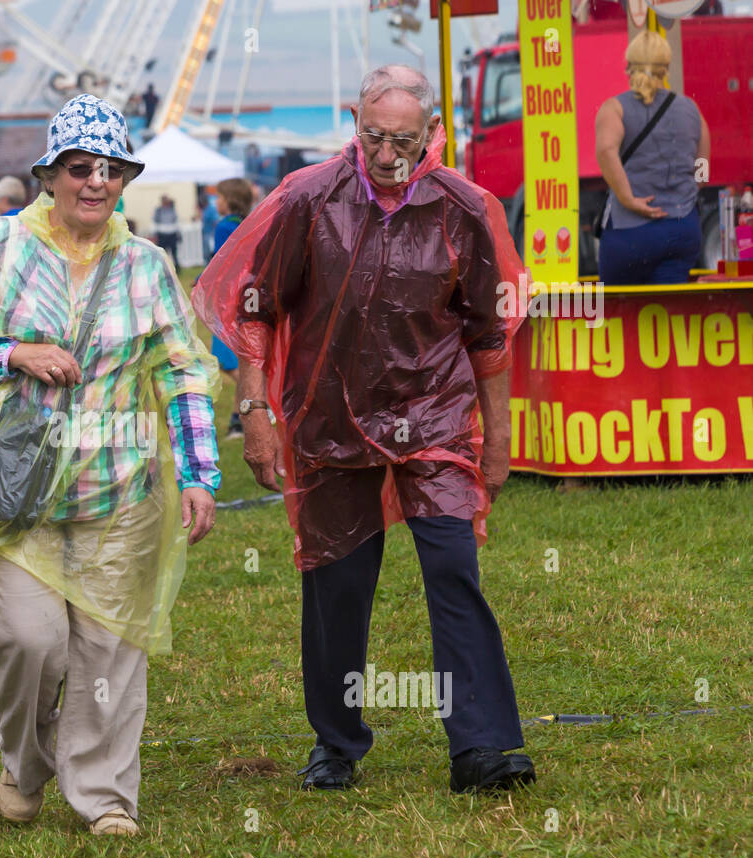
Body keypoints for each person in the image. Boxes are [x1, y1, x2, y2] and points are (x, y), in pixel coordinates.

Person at [193, 65, 536, 796]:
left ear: (433, 135)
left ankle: (481, 745)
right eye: (375, 136)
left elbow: (489, 336)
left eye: (404, 141)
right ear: (354, 122)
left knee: (452, 569)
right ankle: (336, 742)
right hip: (330, 414)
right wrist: (255, 412)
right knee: (338, 582)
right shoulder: (310, 199)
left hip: (435, 416)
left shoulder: (462, 209)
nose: (387, 155)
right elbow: (257, 305)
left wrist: (498, 442)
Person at [0, 93, 220, 836]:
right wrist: (12, 352)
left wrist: (199, 476)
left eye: (111, 169)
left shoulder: (147, 267)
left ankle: (104, 799)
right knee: (31, 641)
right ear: (50, 174)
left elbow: (183, 373)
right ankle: (24, 762)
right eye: (80, 167)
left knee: (108, 657)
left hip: (119, 495)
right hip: (19, 495)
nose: (96, 182)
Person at [595, 30, 710, 285]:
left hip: (630, 234)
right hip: (682, 230)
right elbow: (702, 167)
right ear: (666, 67)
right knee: (667, 313)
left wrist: (629, 199)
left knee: (620, 315)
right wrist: (691, 189)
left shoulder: (615, 108)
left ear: (629, 65)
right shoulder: (692, 109)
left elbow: (605, 150)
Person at [206, 177, 255, 439]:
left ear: (230, 200)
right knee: (238, 359)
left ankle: (260, 400)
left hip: (227, 301)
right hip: (245, 297)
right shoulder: (248, 224)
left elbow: (221, 262)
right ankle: (238, 420)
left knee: (227, 363)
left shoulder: (224, 226)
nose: (217, 202)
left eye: (220, 197)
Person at [152, 194, 180, 270]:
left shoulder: (172, 209)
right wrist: (155, 234)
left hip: (172, 233)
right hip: (162, 234)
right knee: (163, 253)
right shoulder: (158, 210)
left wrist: (178, 233)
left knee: (174, 252)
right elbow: (155, 223)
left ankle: (177, 268)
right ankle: (163, 268)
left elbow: (176, 221)